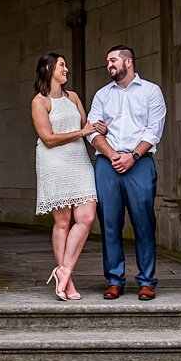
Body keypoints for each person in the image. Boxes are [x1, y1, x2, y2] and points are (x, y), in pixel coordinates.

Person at [87, 45, 167, 301]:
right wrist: (112, 155)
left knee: (144, 222)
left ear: (128, 61)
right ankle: (114, 279)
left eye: (112, 61)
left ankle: (146, 281)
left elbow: (153, 131)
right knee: (109, 223)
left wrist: (132, 157)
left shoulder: (151, 91)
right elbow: (91, 130)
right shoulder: (102, 95)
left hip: (140, 163)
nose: (108, 65)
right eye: (107, 61)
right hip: (106, 164)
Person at [30, 53, 104, 301]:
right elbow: (48, 138)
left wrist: (96, 128)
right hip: (55, 162)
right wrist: (81, 131)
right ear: (49, 68)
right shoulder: (40, 101)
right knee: (63, 222)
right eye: (62, 65)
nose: (66, 69)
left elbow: (86, 126)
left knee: (86, 217)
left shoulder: (73, 97)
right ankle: (68, 281)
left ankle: (64, 270)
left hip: (79, 160)